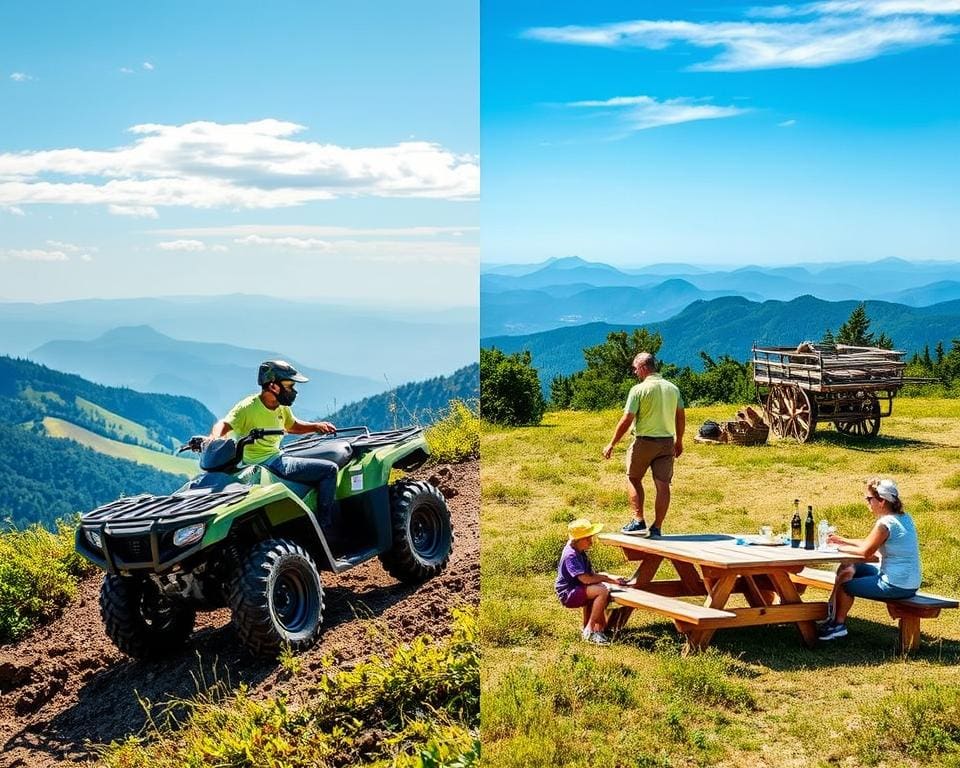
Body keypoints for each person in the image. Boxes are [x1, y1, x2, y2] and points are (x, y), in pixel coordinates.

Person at [208, 360, 339, 517]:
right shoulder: (248, 407)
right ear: (272, 386)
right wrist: (214, 438)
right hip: (272, 463)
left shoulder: (281, 406)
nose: (293, 391)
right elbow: (224, 423)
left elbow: (291, 425)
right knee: (330, 470)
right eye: (289, 386)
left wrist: (316, 426)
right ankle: (325, 523)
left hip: (276, 458)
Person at [819, 478, 921, 641]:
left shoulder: (885, 523)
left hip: (895, 585)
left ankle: (838, 626)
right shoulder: (904, 518)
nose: (867, 503)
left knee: (846, 587)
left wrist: (838, 548)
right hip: (910, 583)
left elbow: (866, 552)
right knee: (849, 566)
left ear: (881, 501)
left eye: (869, 499)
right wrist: (843, 540)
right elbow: (870, 542)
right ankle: (832, 614)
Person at [602, 352, 685, 538]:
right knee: (663, 484)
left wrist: (612, 443)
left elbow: (627, 419)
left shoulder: (638, 390)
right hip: (666, 442)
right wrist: (679, 441)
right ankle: (657, 527)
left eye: (635, 368)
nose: (634, 372)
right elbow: (680, 416)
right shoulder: (673, 389)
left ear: (644, 368)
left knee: (633, 478)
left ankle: (638, 521)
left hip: (644, 441)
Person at [555, 518, 627, 645]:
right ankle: (590, 630)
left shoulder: (579, 551)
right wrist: (605, 579)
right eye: (587, 538)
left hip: (577, 588)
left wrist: (611, 579)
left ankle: (596, 628)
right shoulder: (571, 555)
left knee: (600, 587)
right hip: (568, 593)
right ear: (577, 540)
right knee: (601, 591)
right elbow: (585, 579)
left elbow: (590, 574)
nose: (591, 541)